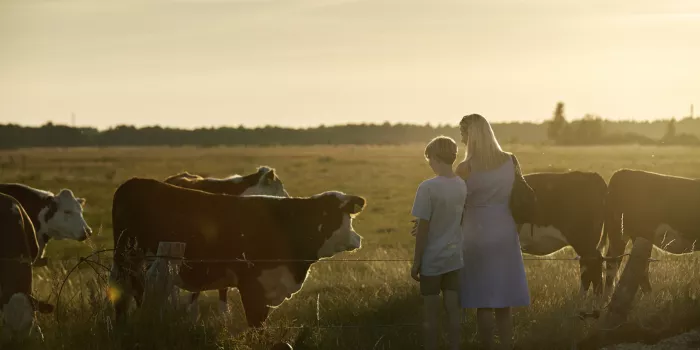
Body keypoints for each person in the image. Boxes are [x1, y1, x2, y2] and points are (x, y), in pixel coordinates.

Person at [456, 113, 531, 350]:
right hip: (505, 228)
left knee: (483, 300)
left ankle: (488, 346)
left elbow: (456, 203)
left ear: (471, 136)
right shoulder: (511, 161)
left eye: (462, 134)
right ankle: (507, 346)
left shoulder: (465, 168)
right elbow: (521, 195)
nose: (461, 140)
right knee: (504, 297)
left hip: (475, 230)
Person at [410, 136, 468, 350]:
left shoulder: (427, 188)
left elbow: (423, 229)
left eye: (429, 159)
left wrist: (417, 261)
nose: (430, 164)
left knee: (430, 314)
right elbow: (458, 219)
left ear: (435, 157)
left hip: (432, 261)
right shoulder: (461, 185)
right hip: (454, 259)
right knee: (453, 311)